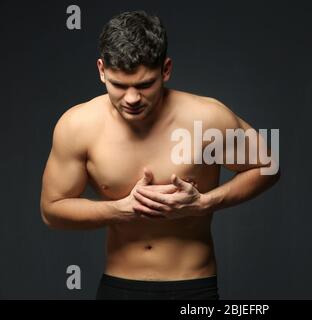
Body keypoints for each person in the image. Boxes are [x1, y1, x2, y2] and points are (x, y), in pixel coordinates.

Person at [40, 10, 280, 300]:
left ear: (165, 70)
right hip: (120, 286)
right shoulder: (78, 126)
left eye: (144, 85)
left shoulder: (206, 119)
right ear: (101, 70)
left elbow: (269, 165)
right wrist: (121, 209)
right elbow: (51, 210)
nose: (131, 98)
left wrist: (205, 203)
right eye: (119, 85)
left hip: (193, 286)